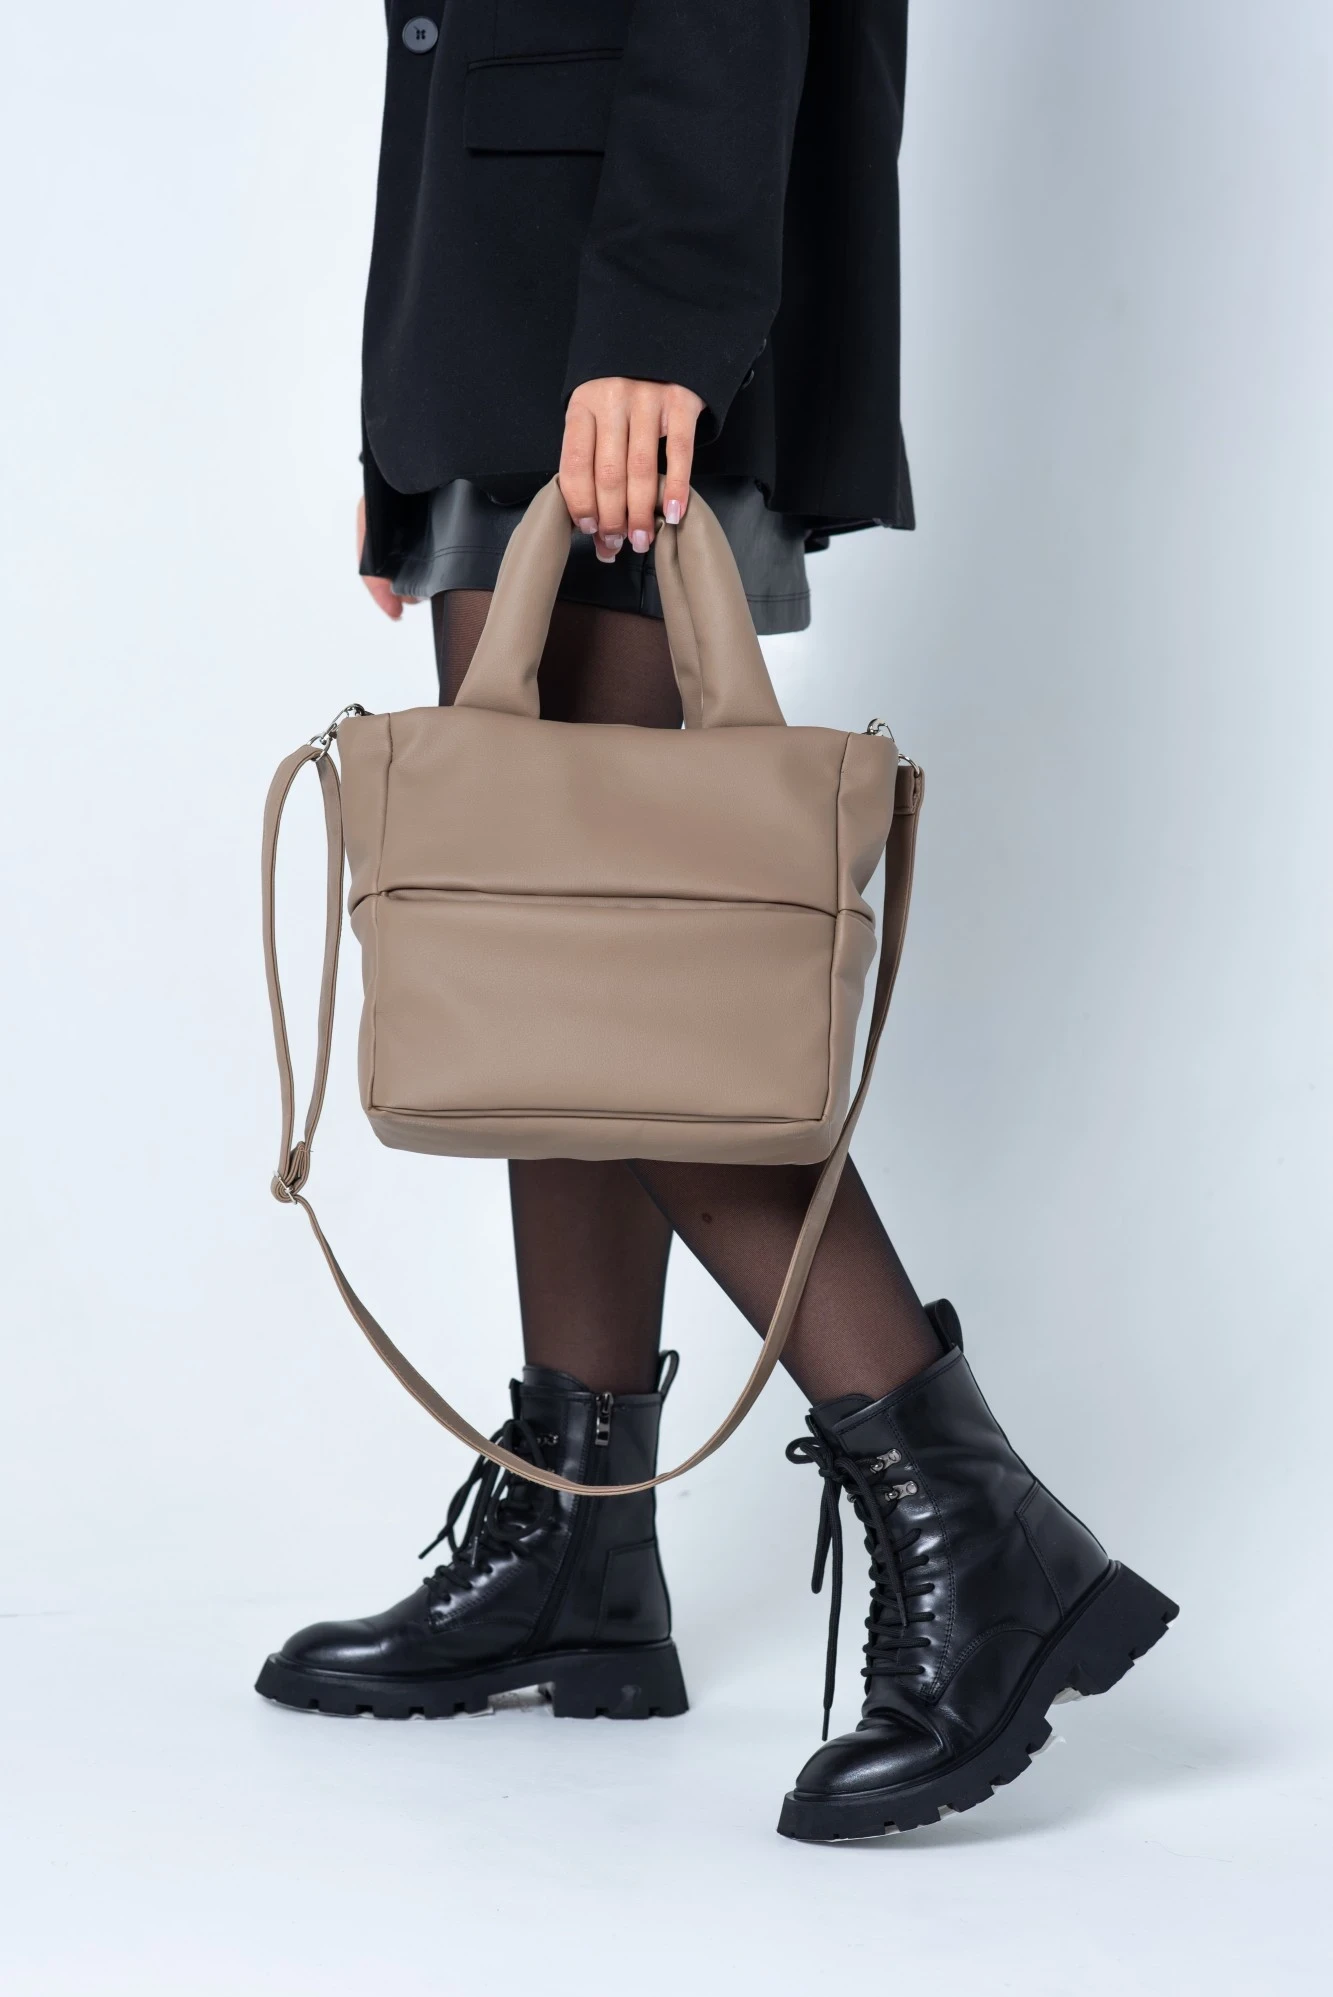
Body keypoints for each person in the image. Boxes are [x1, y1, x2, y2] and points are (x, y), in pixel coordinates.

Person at [256, 1, 1176, 1841]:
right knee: (551, 935)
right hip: (520, 294)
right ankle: (576, 1546)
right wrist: (414, 396)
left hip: (619, 287)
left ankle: (978, 1527)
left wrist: (659, 317)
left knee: (616, 959)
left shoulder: (641, 312)